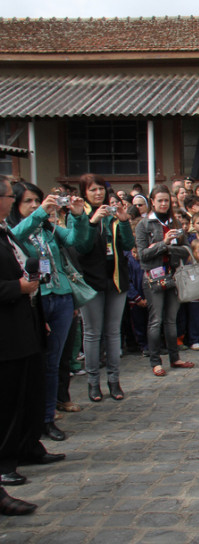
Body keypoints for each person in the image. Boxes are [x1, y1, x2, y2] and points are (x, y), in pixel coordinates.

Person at [8, 181, 91, 440]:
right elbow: (18, 235)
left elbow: (77, 240)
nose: (34, 206)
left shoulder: (48, 228)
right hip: (36, 300)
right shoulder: (12, 230)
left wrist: (78, 216)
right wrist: (41, 212)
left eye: (37, 201)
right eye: (28, 202)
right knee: (36, 361)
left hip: (61, 296)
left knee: (54, 360)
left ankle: (47, 417)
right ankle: (31, 418)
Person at [0, 176, 64, 511]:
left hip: (27, 323)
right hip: (7, 331)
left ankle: (28, 445)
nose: (11, 202)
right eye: (11, 197)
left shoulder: (5, 232)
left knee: (30, 389)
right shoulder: (13, 228)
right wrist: (20, 289)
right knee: (9, 398)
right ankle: (6, 465)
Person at [74, 174, 135, 403]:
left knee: (113, 332)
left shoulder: (113, 214)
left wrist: (124, 220)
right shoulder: (79, 213)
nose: (98, 193)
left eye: (100, 189)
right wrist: (91, 222)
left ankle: (114, 380)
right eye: (92, 190)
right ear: (84, 193)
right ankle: (92, 382)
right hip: (91, 280)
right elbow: (81, 246)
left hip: (116, 279)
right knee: (92, 333)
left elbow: (128, 245)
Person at [134, 184, 195, 377]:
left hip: (175, 275)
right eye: (159, 200)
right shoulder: (144, 225)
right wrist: (164, 244)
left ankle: (174, 358)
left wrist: (168, 248)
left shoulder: (175, 222)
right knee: (156, 320)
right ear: (152, 202)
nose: (163, 203)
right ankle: (155, 362)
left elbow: (187, 250)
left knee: (171, 320)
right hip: (154, 278)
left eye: (166, 200)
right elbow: (143, 255)